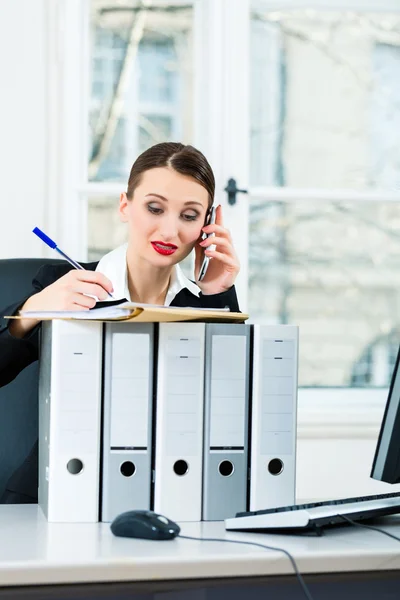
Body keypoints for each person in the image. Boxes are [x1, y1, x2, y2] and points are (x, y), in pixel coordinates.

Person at [0, 142, 241, 503]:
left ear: (207, 226)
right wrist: (32, 310)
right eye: (155, 208)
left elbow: (231, 405)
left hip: (174, 491)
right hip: (58, 491)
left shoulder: (204, 301)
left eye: (189, 216)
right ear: (125, 205)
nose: (170, 231)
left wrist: (216, 293)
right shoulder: (67, 285)